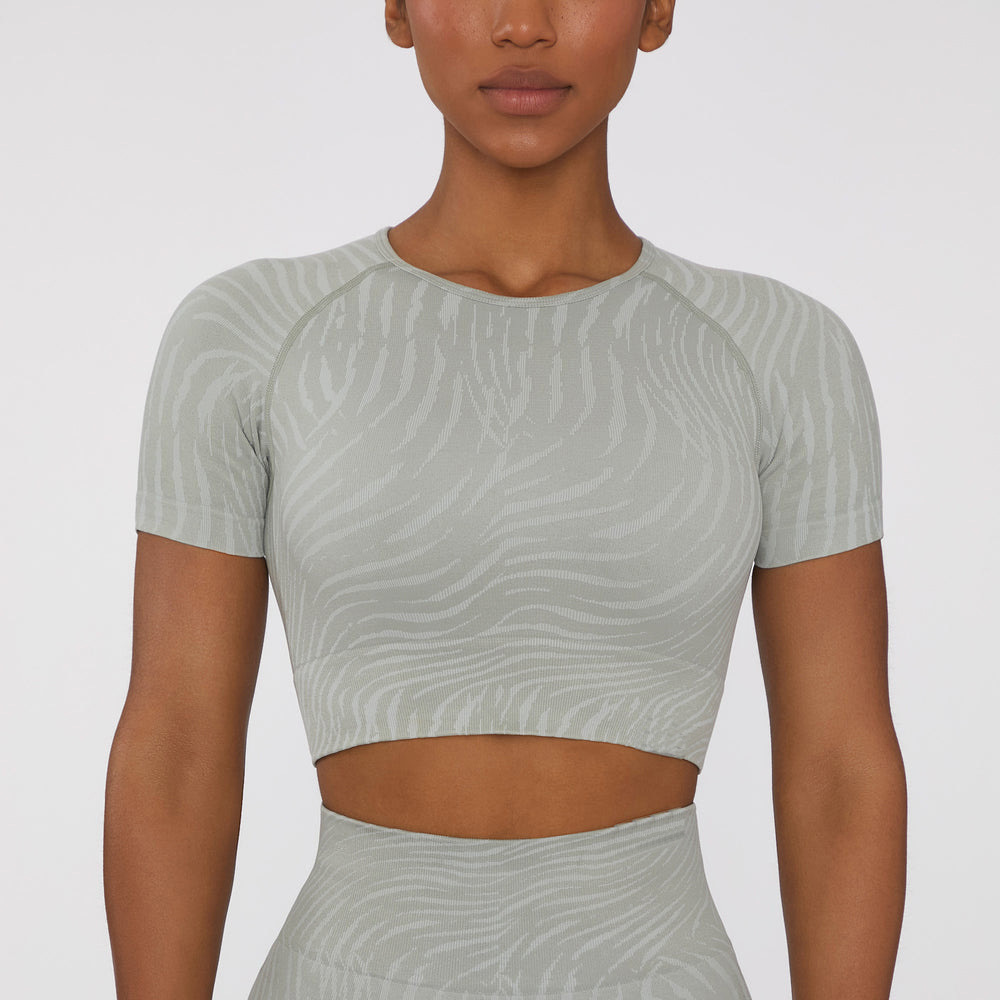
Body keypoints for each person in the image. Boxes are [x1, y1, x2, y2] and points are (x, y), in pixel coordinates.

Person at [104, 1, 907, 998]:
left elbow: (840, 769)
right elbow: (175, 748)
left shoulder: (783, 353)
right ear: (397, 9)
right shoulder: (247, 336)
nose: (523, 25)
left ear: (657, 9)